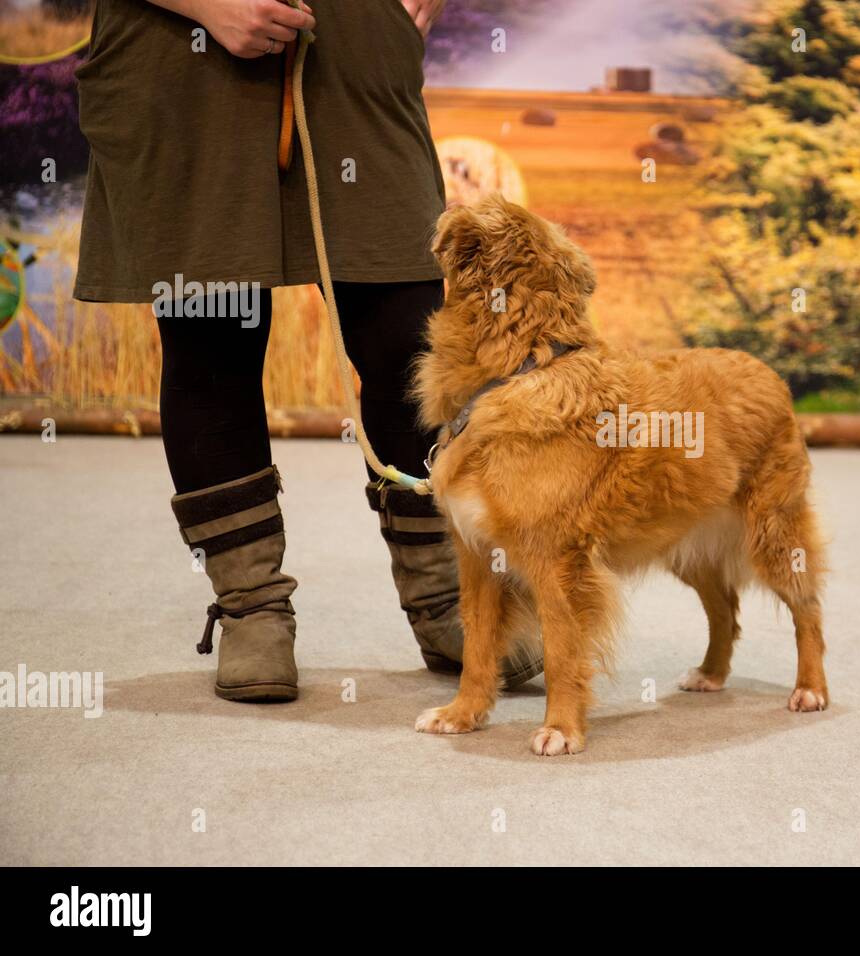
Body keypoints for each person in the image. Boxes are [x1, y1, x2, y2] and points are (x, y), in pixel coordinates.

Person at [72, 0, 542, 701]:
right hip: (182, 55)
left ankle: (449, 599)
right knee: (210, 344)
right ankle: (251, 608)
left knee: (408, 341)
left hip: (353, 57)